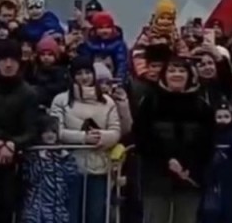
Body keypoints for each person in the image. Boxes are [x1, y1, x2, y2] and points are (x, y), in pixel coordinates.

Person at [134, 57, 216, 223]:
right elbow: (142, 136)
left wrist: (187, 165)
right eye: (172, 71)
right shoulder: (150, 101)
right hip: (156, 177)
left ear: (189, 75)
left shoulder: (201, 105)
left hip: (190, 178)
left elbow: (207, 141)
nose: (176, 75)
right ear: (164, 75)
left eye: (181, 71)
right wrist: (167, 160)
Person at [49, 57, 122, 223]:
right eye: (79, 73)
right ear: (72, 76)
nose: (84, 77)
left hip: (99, 168)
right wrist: (83, 138)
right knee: (70, 215)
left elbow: (115, 130)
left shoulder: (108, 102)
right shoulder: (61, 100)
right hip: (69, 168)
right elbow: (56, 131)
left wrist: (102, 138)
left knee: (95, 215)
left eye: (87, 72)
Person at [0, 40, 40, 222]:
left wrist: (11, 144)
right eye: (4, 60)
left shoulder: (28, 93)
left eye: (13, 60)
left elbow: (32, 130)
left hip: (11, 165)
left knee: (4, 209)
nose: (9, 64)